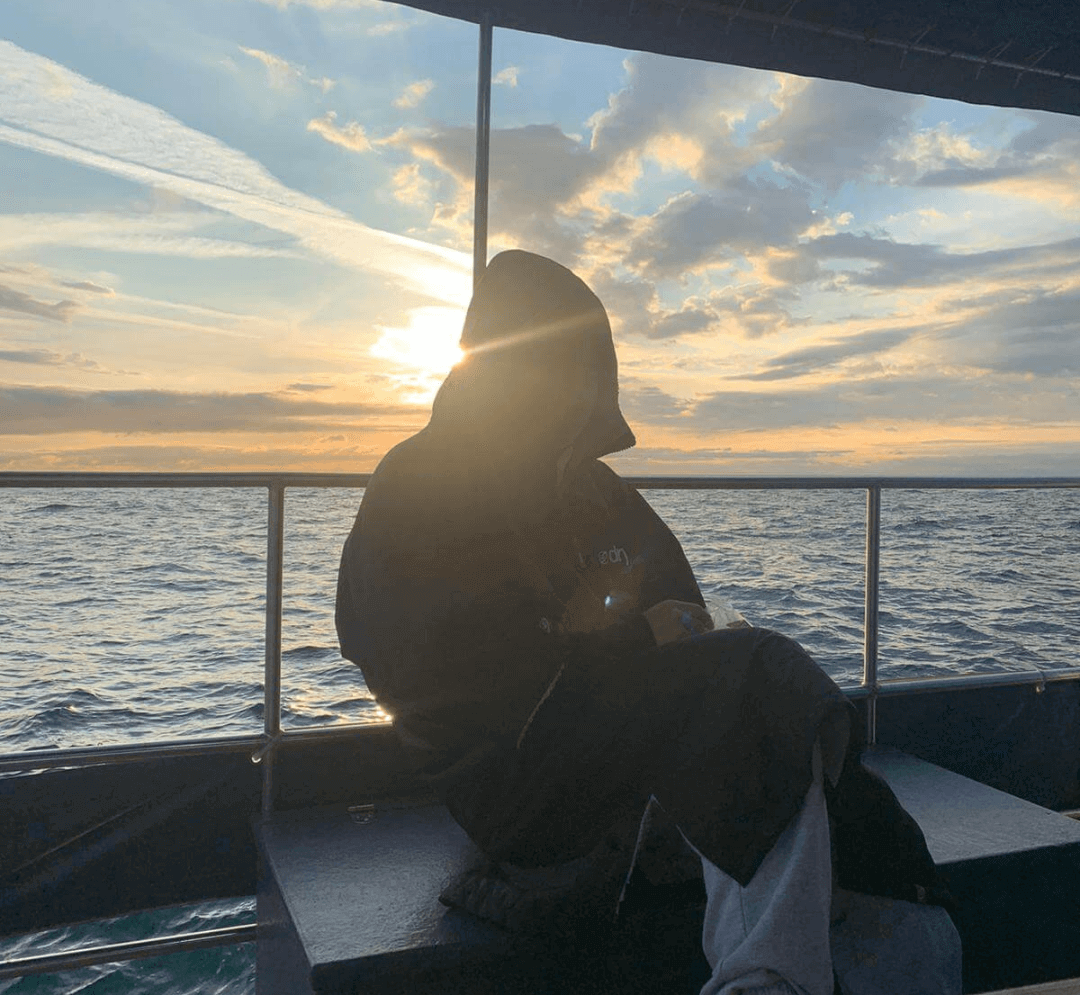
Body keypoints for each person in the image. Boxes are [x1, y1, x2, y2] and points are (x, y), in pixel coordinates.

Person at [336, 250, 960, 994]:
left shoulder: (598, 495)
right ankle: (771, 972)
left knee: (769, 703)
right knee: (753, 678)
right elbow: (417, 662)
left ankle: (905, 916)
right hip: (512, 777)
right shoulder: (420, 486)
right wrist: (636, 643)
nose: (570, 389)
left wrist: (676, 636)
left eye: (584, 368)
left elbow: (683, 612)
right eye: (555, 364)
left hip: (624, 751)